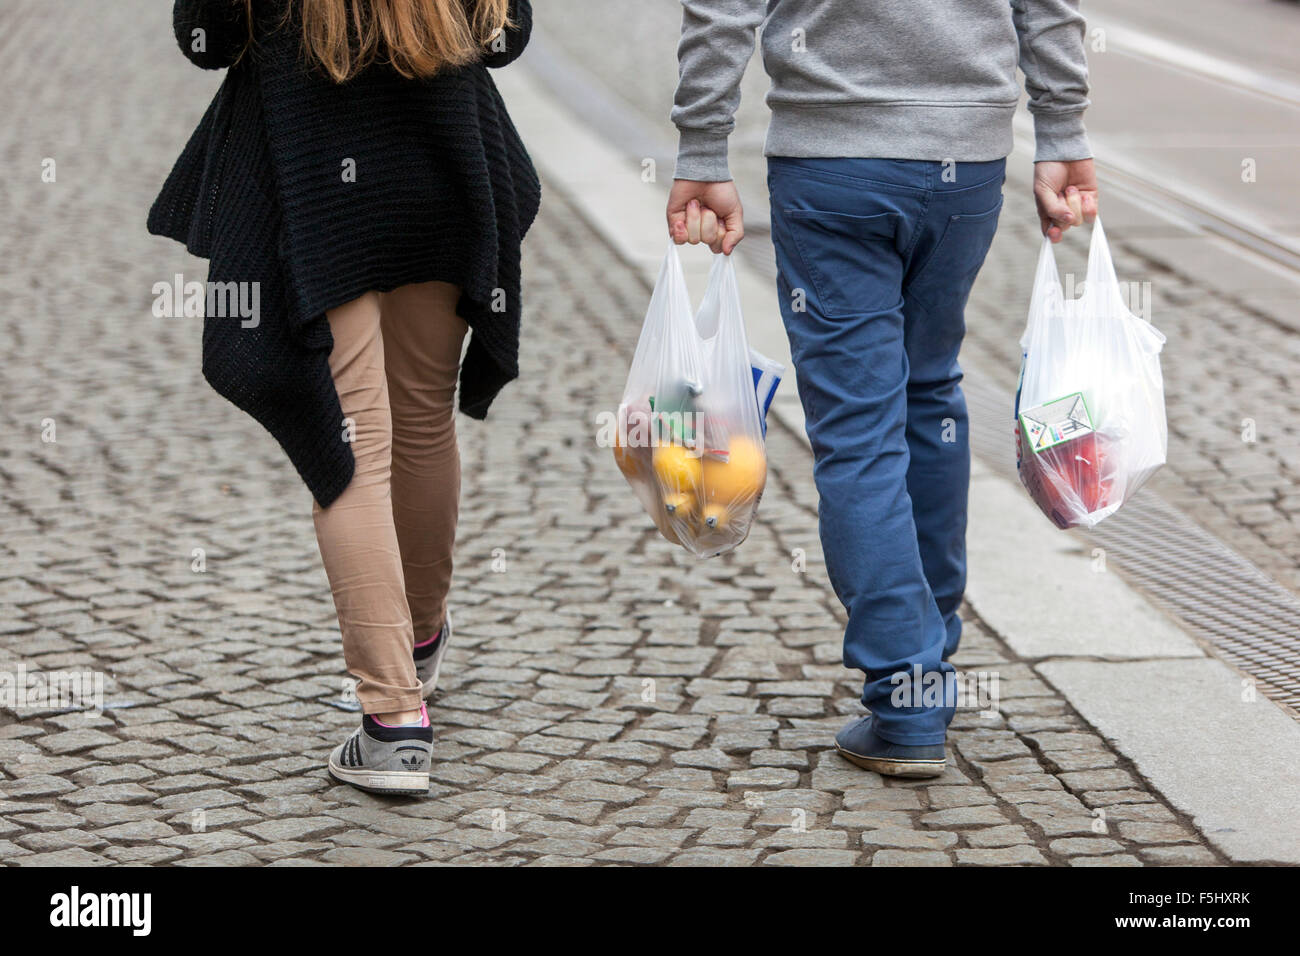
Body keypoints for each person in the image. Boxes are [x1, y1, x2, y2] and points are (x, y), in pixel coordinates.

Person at [668, 0, 1097, 777]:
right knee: (929, 395)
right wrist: (1061, 130)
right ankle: (930, 656)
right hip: (964, 162)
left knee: (860, 429)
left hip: (831, 162)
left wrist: (702, 146)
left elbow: (724, 8)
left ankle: (907, 695)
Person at [148, 0, 540, 795]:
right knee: (424, 417)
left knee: (352, 436)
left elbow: (207, 36)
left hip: (317, 187)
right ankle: (419, 644)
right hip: (443, 171)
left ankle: (394, 719)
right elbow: (508, 37)